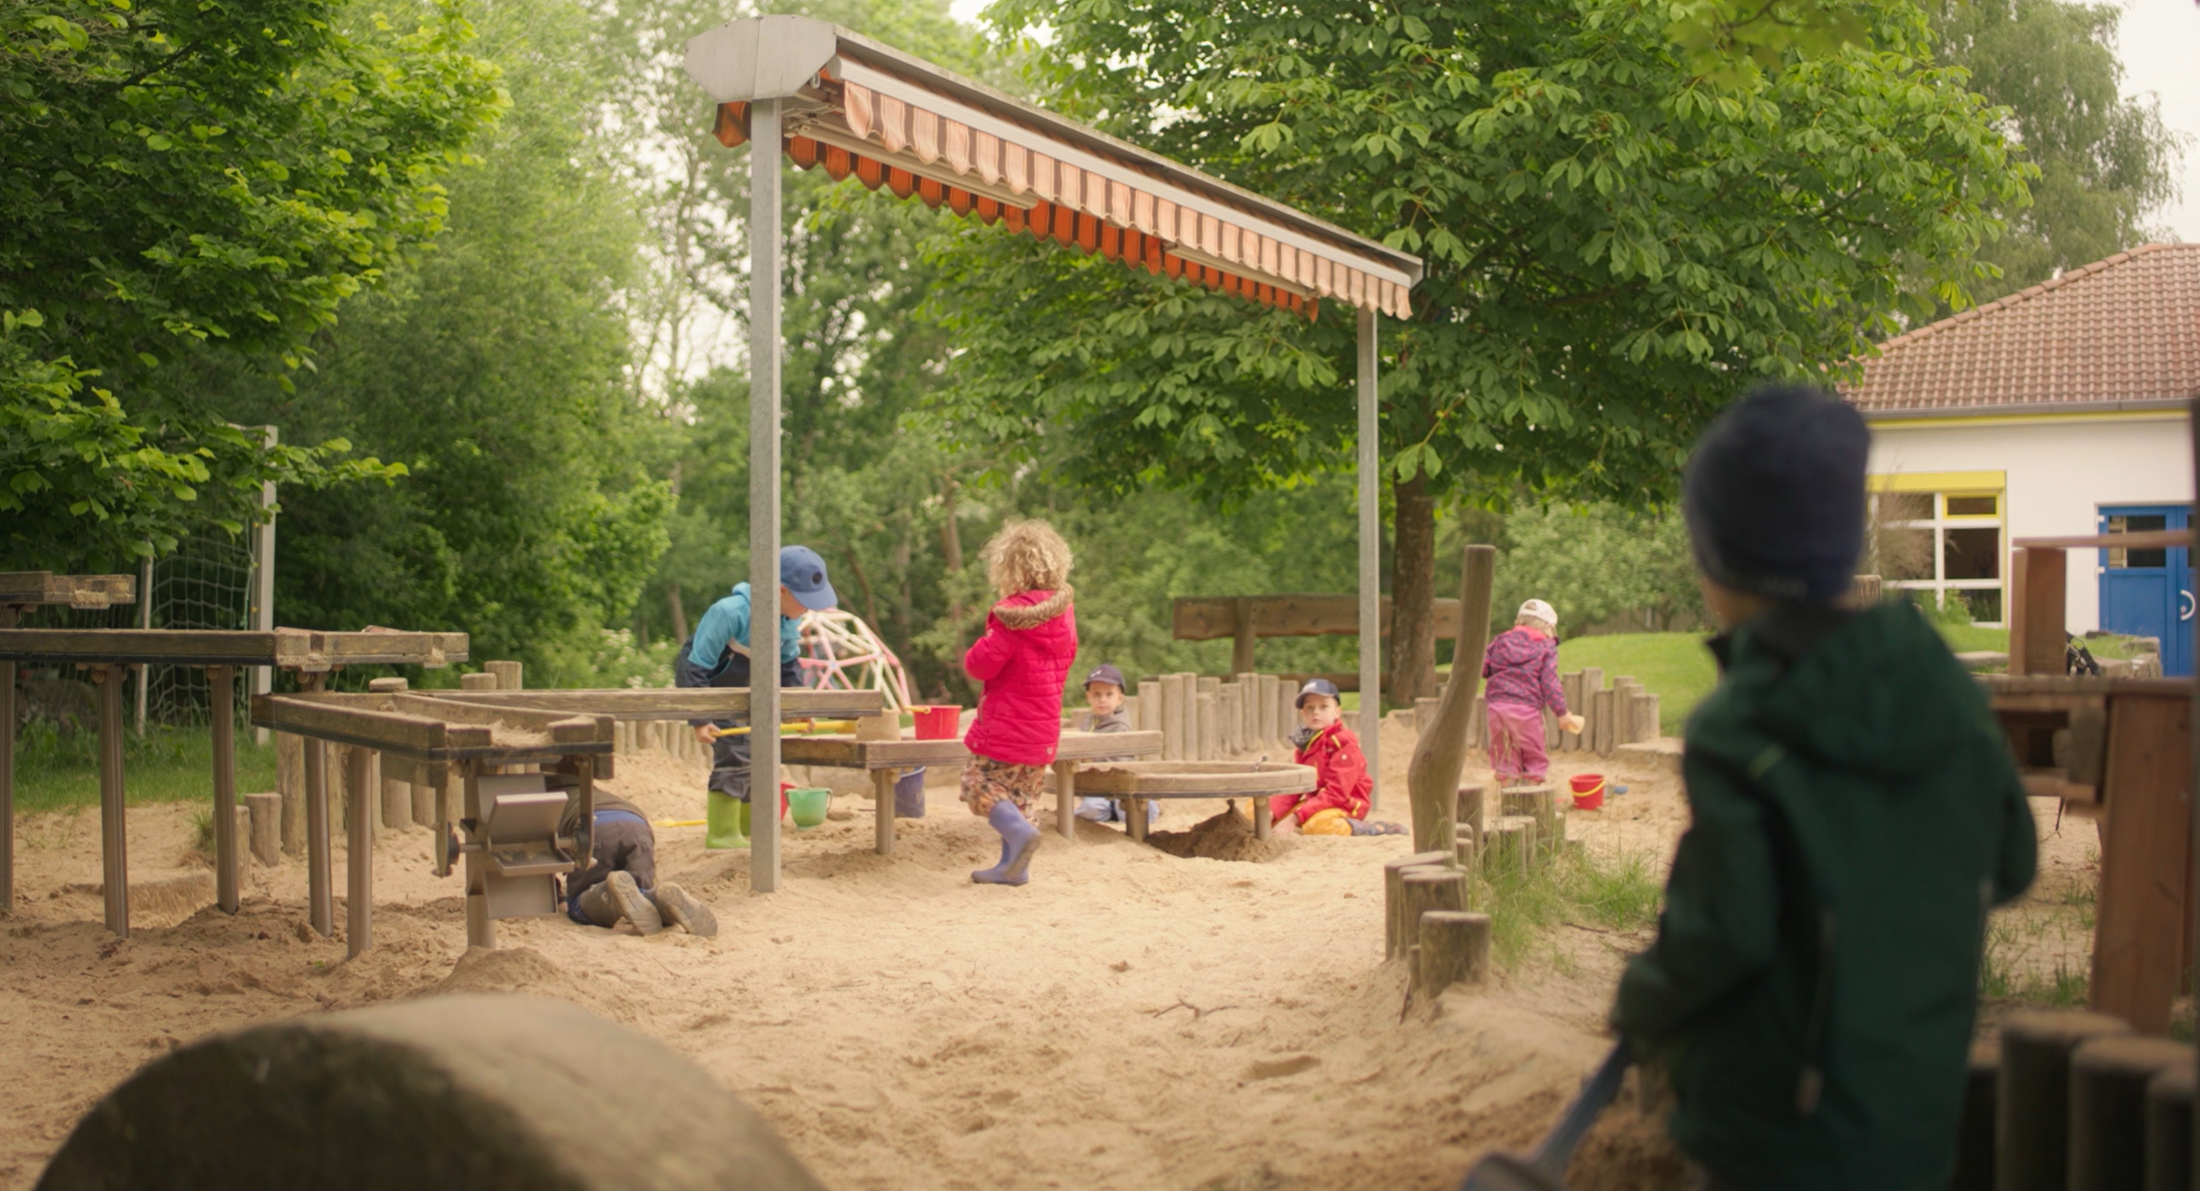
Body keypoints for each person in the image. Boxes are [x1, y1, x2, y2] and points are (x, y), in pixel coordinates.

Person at [1610, 383, 2036, 1191]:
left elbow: (1722, 931)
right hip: (1915, 1107)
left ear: (1721, 563)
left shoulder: (1739, 725)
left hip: (1772, 1123)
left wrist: (1641, 1000)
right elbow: (2011, 860)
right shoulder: (1943, 690)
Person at [677, 545, 836, 849]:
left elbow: (788, 668)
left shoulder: (788, 623)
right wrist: (701, 718)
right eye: (805, 601)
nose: (810, 609)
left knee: (761, 755)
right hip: (715, 692)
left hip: (753, 694)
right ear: (780, 591)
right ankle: (722, 834)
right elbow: (694, 666)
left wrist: (798, 707)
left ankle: (749, 829)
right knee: (734, 755)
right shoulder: (730, 613)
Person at [960, 520, 1079, 885]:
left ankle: (1019, 836)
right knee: (1022, 796)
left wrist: (982, 643)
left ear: (1008, 568)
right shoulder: (1064, 614)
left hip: (1004, 728)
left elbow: (981, 665)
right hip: (1043, 730)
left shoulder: (1010, 617)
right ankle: (1014, 868)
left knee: (976, 783)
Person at [561, 791, 718, 937]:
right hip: (636, 823)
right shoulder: (591, 786)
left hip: (593, 827)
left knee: (578, 905)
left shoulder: (546, 798)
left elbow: (541, 855)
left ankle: (608, 893)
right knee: (641, 896)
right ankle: (659, 898)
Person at [1268, 679, 1400, 836]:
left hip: (1344, 804)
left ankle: (1369, 829)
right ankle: (1297, 821)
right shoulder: (1305, 743)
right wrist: (1273, 812)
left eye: (1323, 706)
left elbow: (1337, 793)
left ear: (1337, 712)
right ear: (1303, 714)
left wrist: (1295, 817)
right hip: (1317, 803)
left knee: (1318, 826)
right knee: (1259, 811)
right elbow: (1297, 787)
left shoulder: (1343, 741)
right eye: (1310, 707)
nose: (1316, 712)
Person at [1481, 599, 1585, 786]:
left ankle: (1509, 801)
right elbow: (1550, 682)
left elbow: (1483, 669)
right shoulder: (1545, 647)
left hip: (1497, 708)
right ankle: (1532, 801)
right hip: (1525, 711)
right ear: (1547, 627)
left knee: (1505, 759)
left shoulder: (1499, 641)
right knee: (1533, 759)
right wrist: (1562, 713)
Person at [1071, 663, 1154, 825]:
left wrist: (1090, 758)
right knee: (1090, 810)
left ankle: (1154, 805)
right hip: (1094, 785)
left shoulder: (1120, 726)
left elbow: (1121, 763)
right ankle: (1108, 811)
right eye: (1097, 694)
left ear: (1119, 699)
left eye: (1109, 694)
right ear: (1088, 697)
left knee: (1129, 812)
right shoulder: (1089, 721)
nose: (1102, 700)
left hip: (1119, 784)